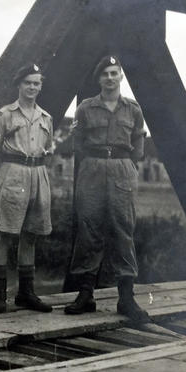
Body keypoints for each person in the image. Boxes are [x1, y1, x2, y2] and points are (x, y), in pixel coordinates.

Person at [64, 55, 150, 323]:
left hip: (122, 169)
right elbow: (76, 142)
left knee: (123, 228)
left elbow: (138, 140)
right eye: (105, 74)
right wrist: (96, 161)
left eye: (114, 73)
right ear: (99, 78)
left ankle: (126, 297)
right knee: (89, 229)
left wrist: (128, 165)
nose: (110, 78)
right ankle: (85, 294)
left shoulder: (133, 109)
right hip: (92, 168)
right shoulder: (86, 109)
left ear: (121, 76)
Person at [0, 63, 53, 313]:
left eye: (37, 83)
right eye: (28, 82)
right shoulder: (4, 115)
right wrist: (6, 175)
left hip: (38, 174)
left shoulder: (46, 118)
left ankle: (26, 293)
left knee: (31, 235)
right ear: (19, 85)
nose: (33, 87)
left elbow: (50, 149)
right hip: (12, 174)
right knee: (4, 233)